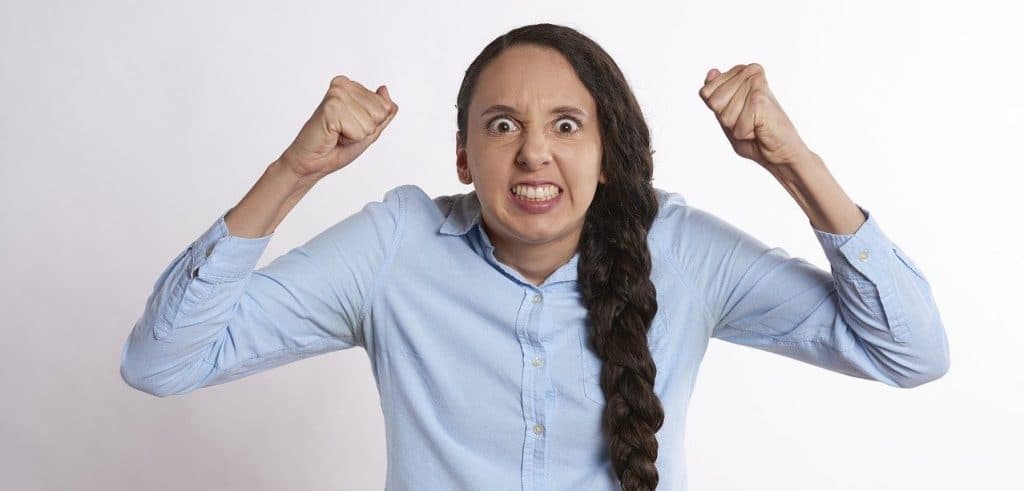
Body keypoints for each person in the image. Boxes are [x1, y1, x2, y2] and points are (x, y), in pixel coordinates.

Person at [119, 23, 950, 491]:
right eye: (502, 125)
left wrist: (794, 163)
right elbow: (163, 361)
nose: (533, 154)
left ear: (608, 152)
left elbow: (909, 351)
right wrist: (293, 172)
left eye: (566, 125)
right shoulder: (396, 247)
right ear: (462, 155)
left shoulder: (680, 250)